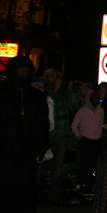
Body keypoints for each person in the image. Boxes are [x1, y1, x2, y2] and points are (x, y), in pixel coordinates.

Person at [0, 57, 50, 213]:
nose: (24, 72)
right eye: (21, 68)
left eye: (27, 69)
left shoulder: (34, 95)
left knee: (24, 180)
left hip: (27, 146)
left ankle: (18, 211)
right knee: (3, 179)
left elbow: (42, 121)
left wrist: (41, 144)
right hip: (5, 145)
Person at [42, 68, 82, 205]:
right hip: (45, 135)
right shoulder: (42, 90)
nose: (54, 78)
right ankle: (36, 194)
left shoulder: (64, 93)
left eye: (56, 76)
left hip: (61, 136)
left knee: (57, 167)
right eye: (51, 76)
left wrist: (69, 89)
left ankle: (54, 196)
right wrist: (55, 90)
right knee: (40, 166)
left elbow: (74, 105)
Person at [71, 89, 105, 196]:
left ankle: (92, 185)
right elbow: (74, 125)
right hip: (85, 140)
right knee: (85, 164)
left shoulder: (101, 111)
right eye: (94, 99)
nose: (96, 101)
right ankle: (84, 185)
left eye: (97, 98)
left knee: (95, 164)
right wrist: (79, 136)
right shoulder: (82, 111)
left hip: (97, 140)